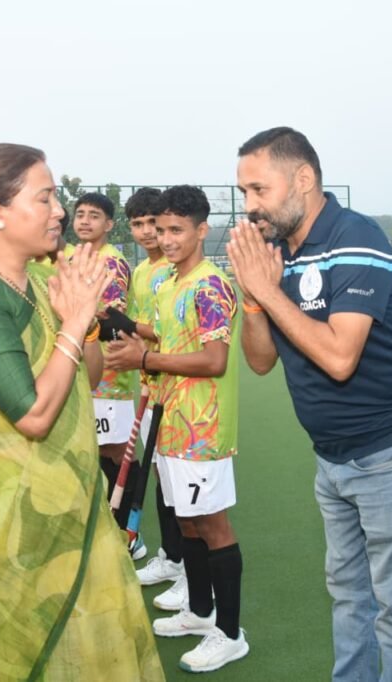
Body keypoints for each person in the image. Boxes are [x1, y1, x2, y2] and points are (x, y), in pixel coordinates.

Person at [0, 143, 163, 680]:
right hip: (6, 507)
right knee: (33, 651)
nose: (60, 211)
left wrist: (84, 321)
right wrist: (73, 322)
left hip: (72, 498)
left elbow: (86, 378)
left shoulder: (39, 279)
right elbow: (35, 415)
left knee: (93, 642)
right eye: (45, 198)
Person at [228, 127, 392, 681]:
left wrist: (268, 292)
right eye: (244, 192)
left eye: (259, 189)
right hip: (331, 458)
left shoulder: (355, 236)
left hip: (387, 454)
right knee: (347, 595)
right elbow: (261, 361)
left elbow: (341, 357)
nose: (249, 206)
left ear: (303, 179)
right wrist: (254, 301)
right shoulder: (275, 251)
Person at [107, 185, 247, 673]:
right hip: (170, 419)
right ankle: (200, 610)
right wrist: (131, 335)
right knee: (186, 522)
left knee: (212, 525)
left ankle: (230, 633)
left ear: (201, 230)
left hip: (202, 427)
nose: (165, 239)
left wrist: (144, 359)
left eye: (176, 230)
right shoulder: (168, 282)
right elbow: (167, 338)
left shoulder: (210, 286)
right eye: (160, 229)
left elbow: (213, 360)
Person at [124, 188, 188, 611]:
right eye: (139, 224)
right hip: (150, 385)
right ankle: (171, 556)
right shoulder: (142, 271)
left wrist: (130, 327)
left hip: (179, 393)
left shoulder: (174, 271)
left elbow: (167, 333)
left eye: (155, 223)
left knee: (180, 488)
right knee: (162, 480)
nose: (149, 232)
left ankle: (187, 572)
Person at [72, 192, 142, 554]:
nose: (85, 221)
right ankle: (105, 525)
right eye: (80, 214)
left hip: (109, 374)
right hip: (79, 371)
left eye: (94, 216)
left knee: (117, 452)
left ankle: (130, 531)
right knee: (95, 450)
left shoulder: (112, 262)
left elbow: (111, 320)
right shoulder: (72, 258)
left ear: (109, 224)